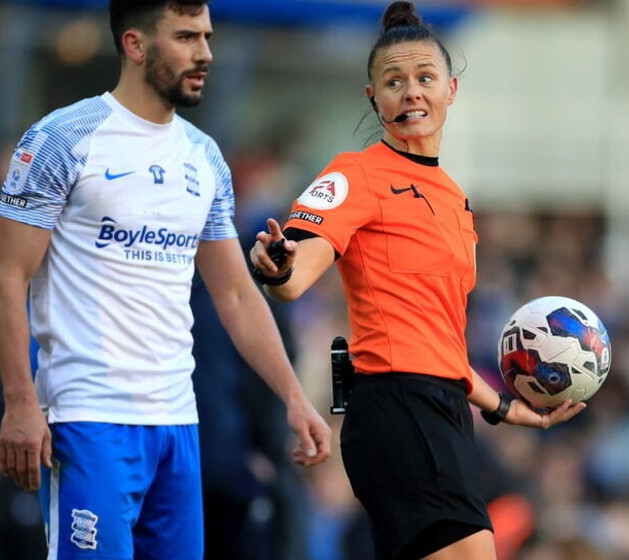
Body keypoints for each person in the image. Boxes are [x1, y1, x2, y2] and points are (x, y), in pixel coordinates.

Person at [0, 1, 331, 559]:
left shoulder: (205, 157)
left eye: (208, 37)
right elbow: (6, 279)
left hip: (177, 422)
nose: (206, 54)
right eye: (187, 37)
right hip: (88, 417)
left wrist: (294, 396)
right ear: (136, 45)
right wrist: (20, 402)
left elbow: (237, 294)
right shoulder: (61, 139)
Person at [249, 3, 587, 559]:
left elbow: (443, 344)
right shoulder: (356, 173)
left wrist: (503, 407)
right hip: (396, 404)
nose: (411, 92)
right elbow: (296, 269)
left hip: (445, 407)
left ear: (450, 90)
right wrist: (278, 266)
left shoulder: (456, 198)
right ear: (373, 98)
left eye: (425, 79)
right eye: (394, 82)